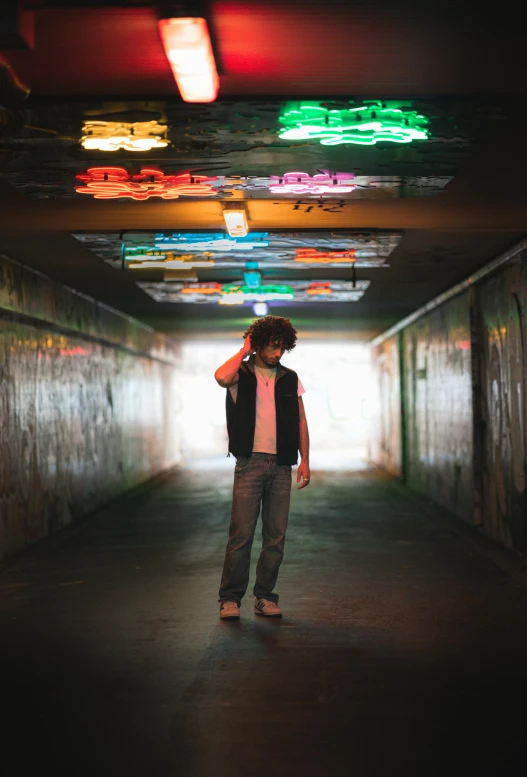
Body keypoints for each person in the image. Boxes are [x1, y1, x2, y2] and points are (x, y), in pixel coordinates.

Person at [214, 315, 310, 620]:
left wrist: (305, 459)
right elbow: (219, 376)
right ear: (258, 345)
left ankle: (265, 597)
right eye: (270, 347)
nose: (276, 354)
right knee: (241, 534)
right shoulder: (240, 374)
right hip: (249, 463)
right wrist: (244, 350)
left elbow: (301, 420)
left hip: (281, 465)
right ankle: (230, 599)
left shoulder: (290, 378)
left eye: (281, 348)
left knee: (275, 537)